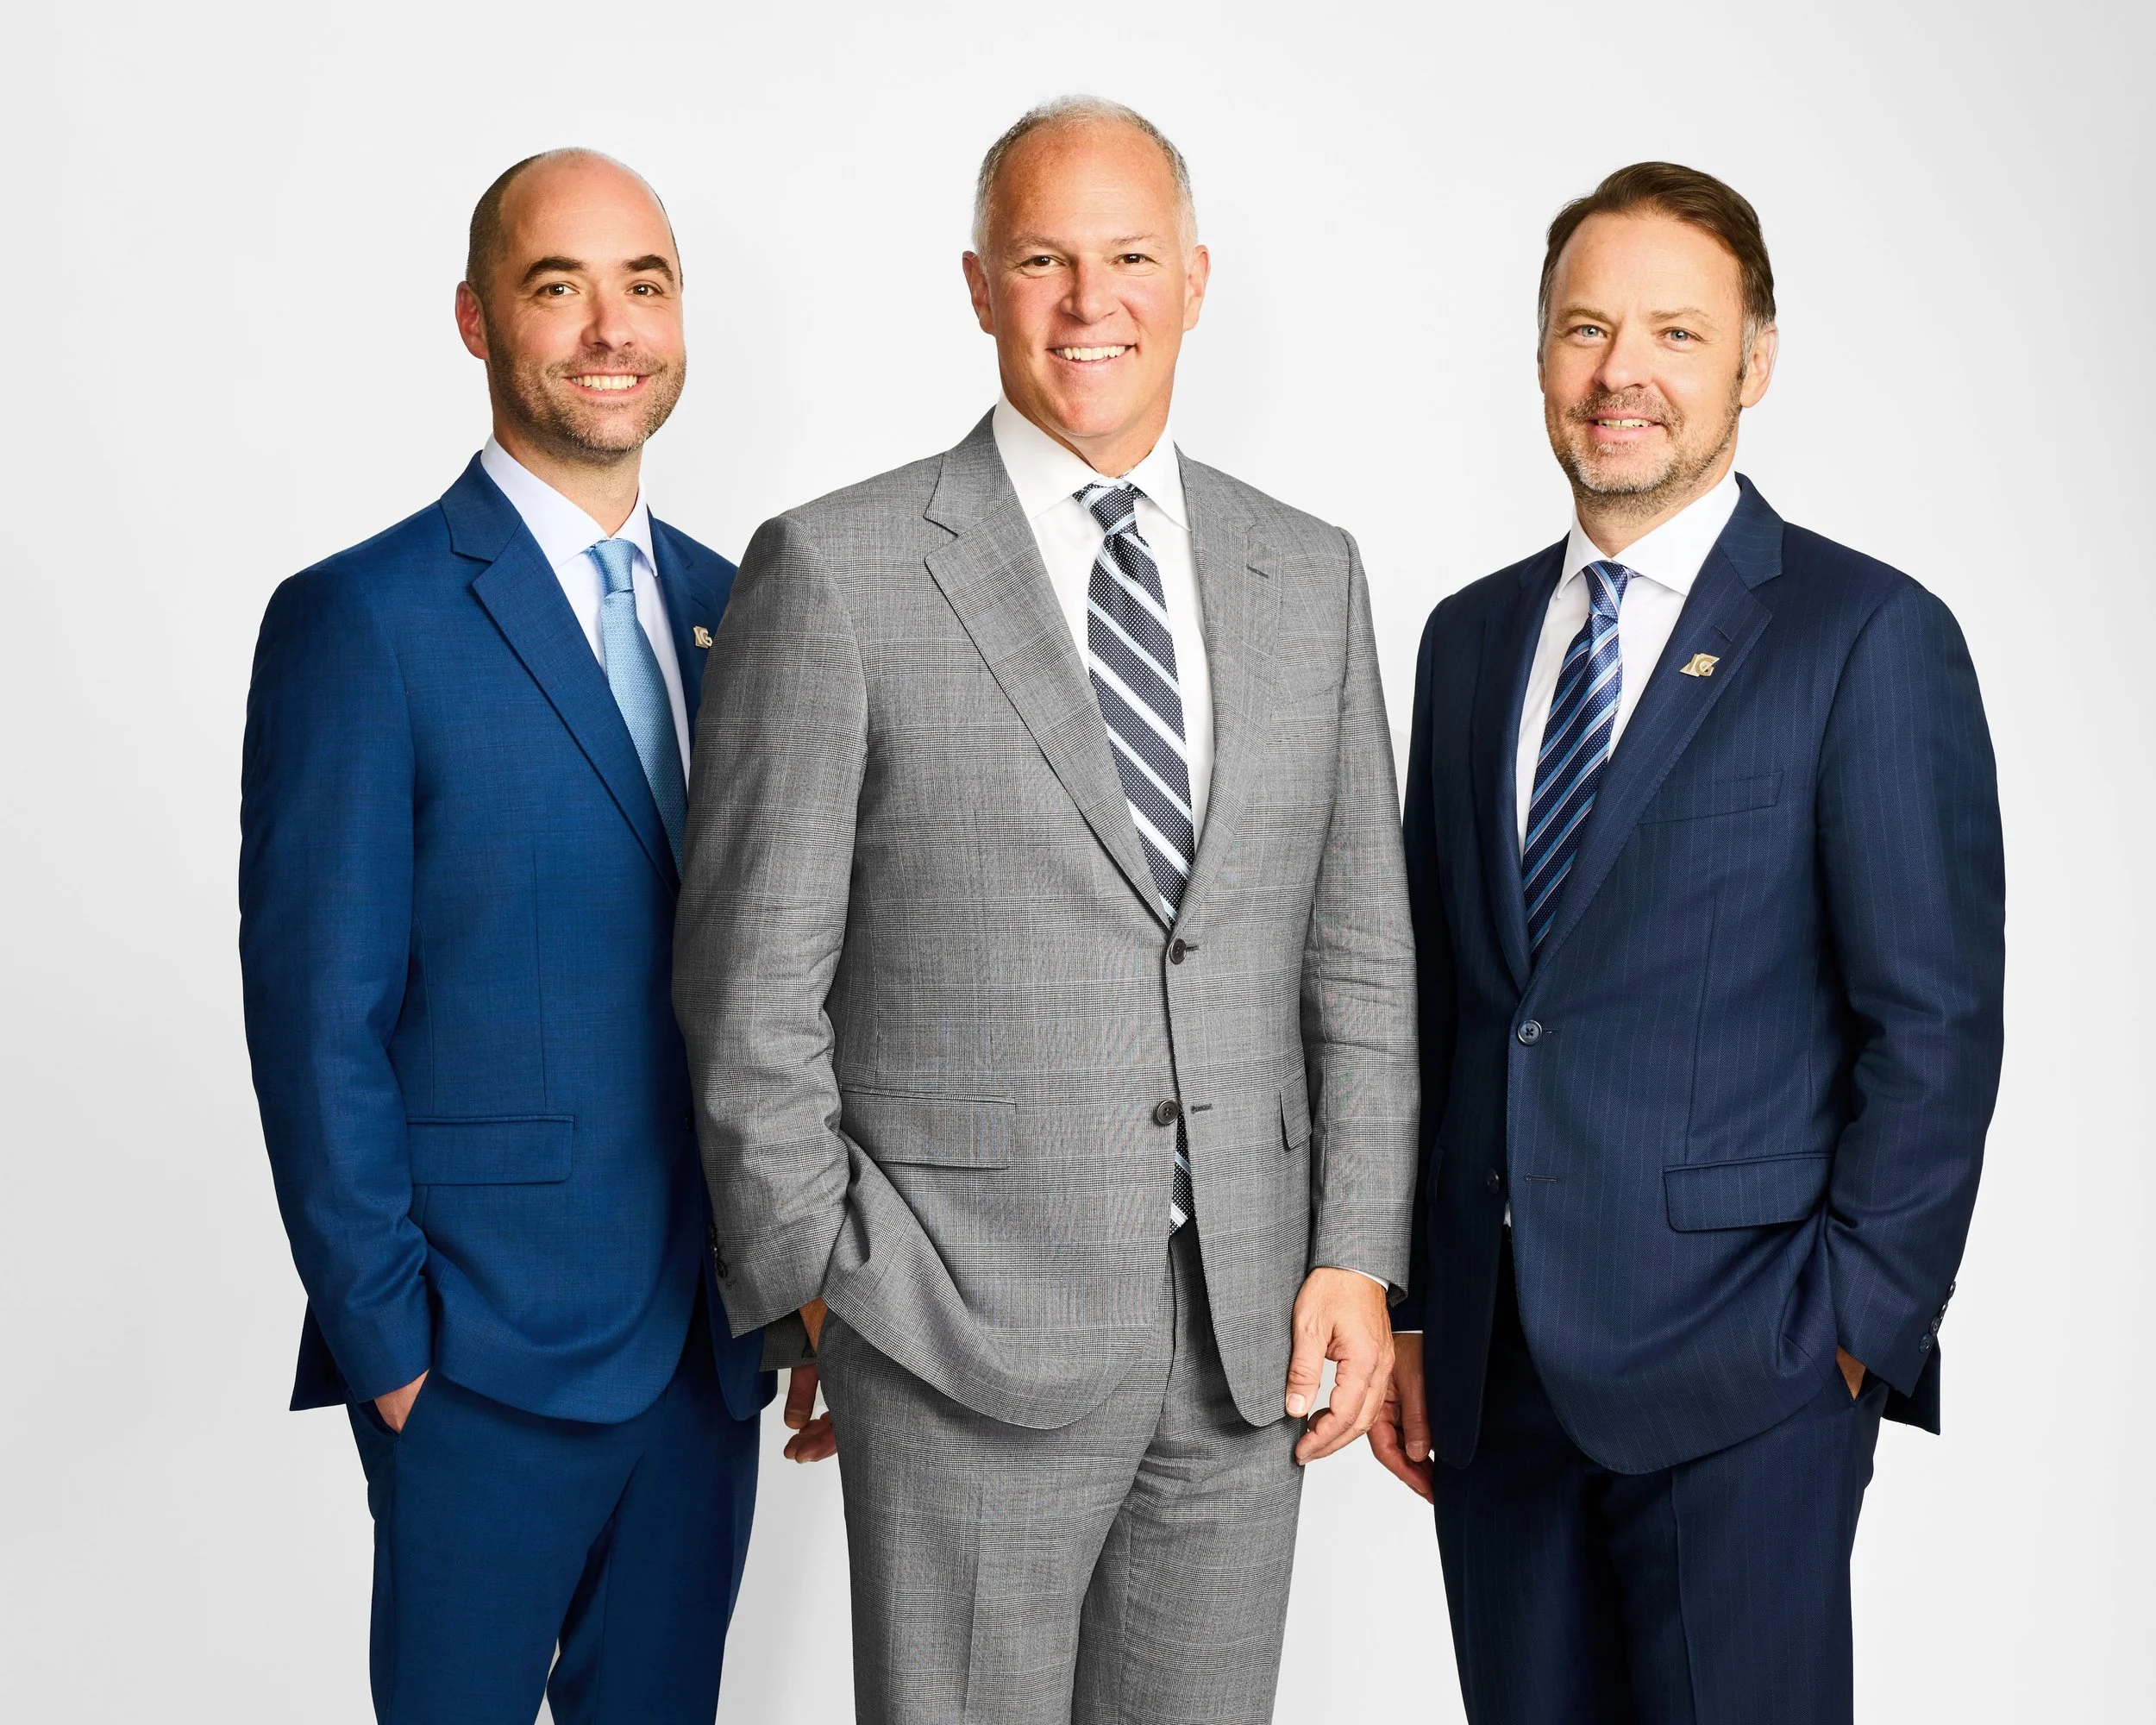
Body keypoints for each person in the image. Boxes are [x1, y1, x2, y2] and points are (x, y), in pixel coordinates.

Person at [674, 96, 1418, 1725]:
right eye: (1044, 259)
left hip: (1247, 1344)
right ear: (977, 285)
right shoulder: (839, 570)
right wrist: (827, 1272)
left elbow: (1357, 958)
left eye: (1131, 256)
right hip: (951, 1332)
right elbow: (748, 981)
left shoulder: (1315, 574)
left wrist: (1358, 1253)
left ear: (1199, 279)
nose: (1092, 303)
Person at [1368, 162, 2006, 1724]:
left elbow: (1933, 1024)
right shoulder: (1468, 639)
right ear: (1540, 361)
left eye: (1675, 332)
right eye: (1587, 329)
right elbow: (1445, 1003)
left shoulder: (1867, 637)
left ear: (1754, 363)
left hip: (1750, 1377)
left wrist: (1853, 1330)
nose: (1622, 374)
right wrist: (1409, 1307)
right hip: (1498, 1379)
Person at [238, 149, 822, 1725]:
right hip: (477, 1358)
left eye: (644, 285)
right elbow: (316, 1020)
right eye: (558, 287)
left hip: (705, 1353)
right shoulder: (364, 620)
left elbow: (787, 982)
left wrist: (798, 1286)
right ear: (477, 320)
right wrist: (394, 1349)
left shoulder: (747, 612)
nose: (609, 328)